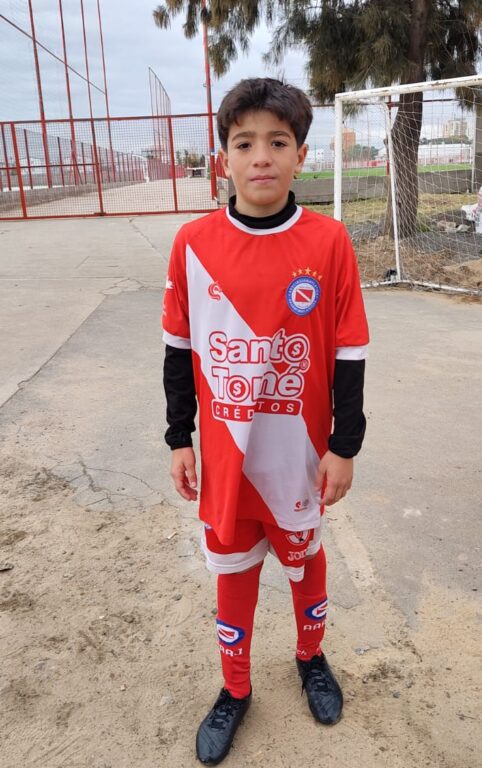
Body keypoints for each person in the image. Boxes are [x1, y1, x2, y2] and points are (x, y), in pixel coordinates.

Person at [162, 77, 369, 765]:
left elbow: (349, 350)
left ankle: (311, 658)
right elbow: (179, 349)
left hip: (298, 456)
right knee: (234, 570)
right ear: (222, 157)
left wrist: (343, 445)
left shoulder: (329, 240)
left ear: (301, 155)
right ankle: (235, 688)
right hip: (226, 457)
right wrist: (179, 438)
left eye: (277, 143)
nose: (261, 157)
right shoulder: (193, 243)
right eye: (244, 142)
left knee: (305, 559)